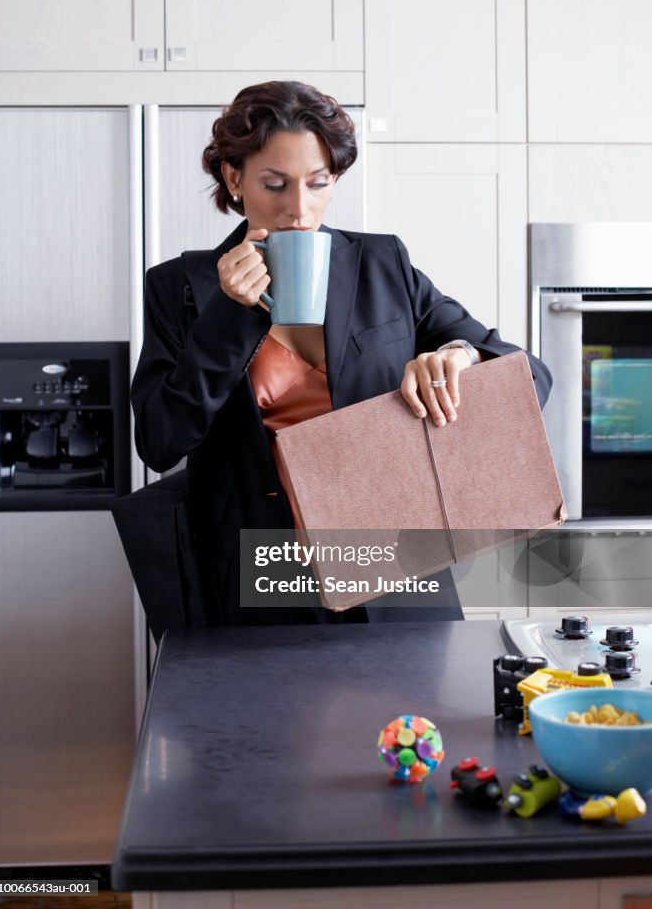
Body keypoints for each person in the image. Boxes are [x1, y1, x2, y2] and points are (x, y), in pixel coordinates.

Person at [130, 80, 551, 627]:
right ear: (234, 178)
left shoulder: (381, 263)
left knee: (410, 717)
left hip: (396, 569)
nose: (298, 210)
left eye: (318, 183)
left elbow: (528, 377)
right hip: (261, 577)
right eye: (275, 184)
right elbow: (159, 442)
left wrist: (457, 356)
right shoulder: (179, 288)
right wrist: (231, 315)